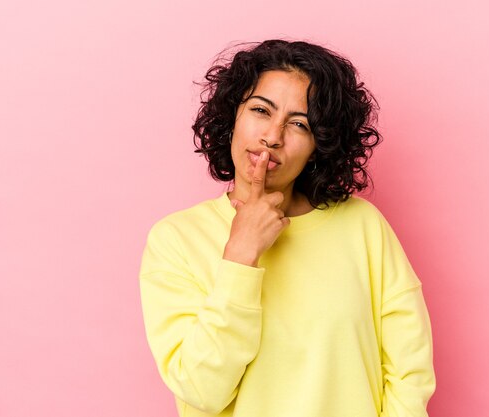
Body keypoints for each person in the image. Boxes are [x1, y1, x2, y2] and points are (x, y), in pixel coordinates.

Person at [139, 39, 435, 417]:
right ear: (232, 117)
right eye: (261, 110)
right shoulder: (176, 240)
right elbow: (202, 390)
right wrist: (240, 255)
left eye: (299, 124)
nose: (273, 136)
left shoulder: (363, 226)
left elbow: (410, 373)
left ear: (319, 146)